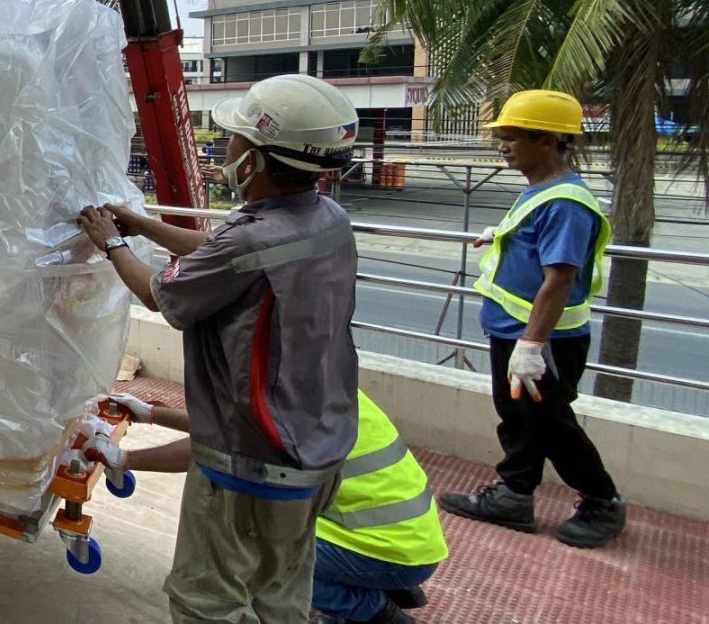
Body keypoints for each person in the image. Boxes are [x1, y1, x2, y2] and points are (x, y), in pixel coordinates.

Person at [78, 73, 362, 622]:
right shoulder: (327, 219)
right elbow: (219, 249)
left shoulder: (253, 239)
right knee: (278, 596)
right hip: (315, 449)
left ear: (253, 162)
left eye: (234, 139)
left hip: (252, 465)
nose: (225, 148)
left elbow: (160, 294)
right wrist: (141, 225)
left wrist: (111, 243)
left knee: (207, 602)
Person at [437, 90, 623, 548]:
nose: (503, 145)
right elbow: (537, 247)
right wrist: (502, 237)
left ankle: (603, 501)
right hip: (514, 332)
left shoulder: (566, 203)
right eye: (501, 136)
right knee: (517, 419)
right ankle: (514, 495)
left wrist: (532, 346)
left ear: (548, 140)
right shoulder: (541, 190)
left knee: (552, 426)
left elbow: (559, 278)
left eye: (513, 136)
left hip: (543, 342)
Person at [98, 392, 446, 624]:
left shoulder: (281, 403)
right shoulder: (318, 382)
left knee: (264, 556)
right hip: (410, 541)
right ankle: (375, 582)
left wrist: (125, 459)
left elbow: (212, 449)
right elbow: (222, 425)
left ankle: (372, 609)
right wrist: (152, 414)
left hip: (389, 550)